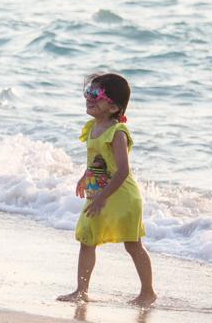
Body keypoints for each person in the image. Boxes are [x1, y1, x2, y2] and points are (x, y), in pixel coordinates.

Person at [58, 73, 156, 306]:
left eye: (95, 94)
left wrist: (103, 196)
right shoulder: (93, 127)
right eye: (88, 92)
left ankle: (148, 292)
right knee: (87, 238)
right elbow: (98, 160)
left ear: (112, 106)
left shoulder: (117, 133)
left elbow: (122, 170)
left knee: (133, 244)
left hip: (121, 196)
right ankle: (81, 291)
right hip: (98, 194)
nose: (88, 98)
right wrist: (85, 176)